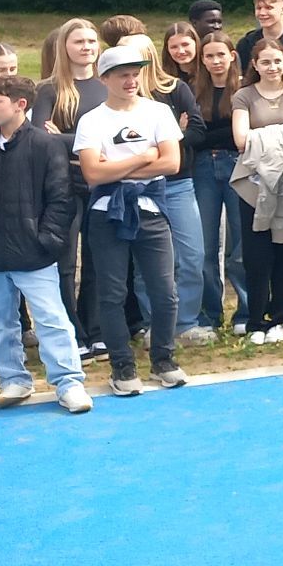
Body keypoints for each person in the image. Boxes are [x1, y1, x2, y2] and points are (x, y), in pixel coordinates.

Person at [0, 73, 90, 412]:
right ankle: (13, 380)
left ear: (20, 104)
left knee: (51, 318)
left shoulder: (47, 145)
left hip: (34, 253)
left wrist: (47, 241)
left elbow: (61, 199)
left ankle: (68, 381)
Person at [75, 44, 187, 394]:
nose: (130, 80)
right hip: (107, 213)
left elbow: (171, 164)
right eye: (122, 74)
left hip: (151, 211)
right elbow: (93, 174)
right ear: (104, 78)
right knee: (111, 293)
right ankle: (122, 366)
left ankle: (163, 359)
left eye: (135, 73)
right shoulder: (92, 120)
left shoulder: (158, 112)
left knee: (165, 291)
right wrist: (142, 157)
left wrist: (117, 167)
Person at [122, 34, 209, 349]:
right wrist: (172, 134)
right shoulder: (116, 99)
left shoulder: (174, 89)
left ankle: (185, 323)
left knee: (192, 254)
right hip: (138, 187)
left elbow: (198, 131)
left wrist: (164, 143)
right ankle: (152, 324)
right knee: (147, 261)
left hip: (178, 183)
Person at [31, 18, 105, 354]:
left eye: (91, 41)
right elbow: (40, 140)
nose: (87, 47)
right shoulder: (49, 89)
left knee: (99, 259)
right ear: (65, 47)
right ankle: (72, 331)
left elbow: (114, 140)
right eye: (79, 42)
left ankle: (96, 328)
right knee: (64, 264)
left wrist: (63, 137)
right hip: (63, 187)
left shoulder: (107, 86)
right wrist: (89, 142)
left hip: (102, 185)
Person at [230, 40, 283, 344]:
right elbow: (240, 140)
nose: (272, 67)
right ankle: (256, 320)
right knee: (256, 254)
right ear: (254, 65)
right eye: (265, 62)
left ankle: (280, 317)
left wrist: (267, 138)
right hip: (254, 185)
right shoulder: (243, 96)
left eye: (277, 61)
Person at [189, 32, 249, 337]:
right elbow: (190, 137)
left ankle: (246, 310)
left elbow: (237, 136)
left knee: (240, 243)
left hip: (239, 166)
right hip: (202, 169)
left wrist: (208, 136)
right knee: (204, 245)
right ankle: (209, 315)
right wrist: (220, 134)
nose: (215, 61)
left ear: (232, 56)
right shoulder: (193, 90)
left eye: (220, 55)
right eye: (209, 56)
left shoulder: (244, 89)